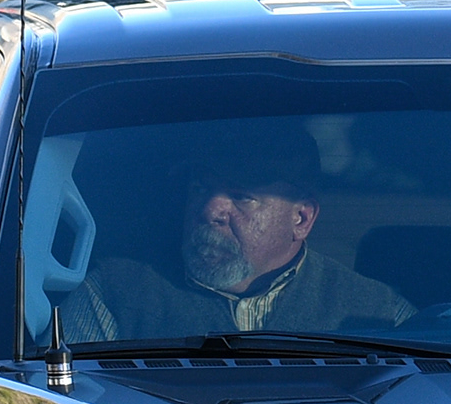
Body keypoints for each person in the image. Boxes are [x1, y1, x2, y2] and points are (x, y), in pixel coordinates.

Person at [63, 125, 413, 342]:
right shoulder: (114, 292)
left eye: (241, 196)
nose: (210, 210)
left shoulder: (376, 312)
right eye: (200, 189)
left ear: (302, 218)